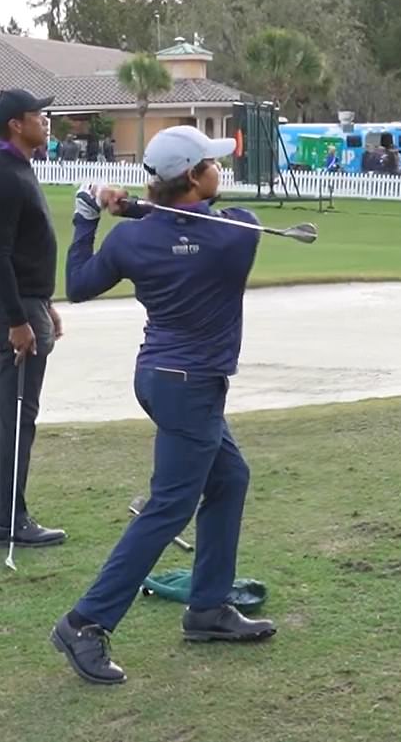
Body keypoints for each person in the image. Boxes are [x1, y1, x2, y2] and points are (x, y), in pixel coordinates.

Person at [50, 125, 276, 685]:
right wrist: (139, 210)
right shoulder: (237, 237)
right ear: (195, 179)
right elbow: (212, 224)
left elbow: (78, 283)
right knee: (170, 506)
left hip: (159, 378)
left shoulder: (133, 241)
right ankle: (85, 623)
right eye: (212, 166)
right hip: (190, 386)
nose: (220, 171)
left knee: (230, 478)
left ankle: (207, 608)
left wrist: (92, 218)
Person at [0, 88, 66, 548]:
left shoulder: (16, 169)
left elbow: (23, 253)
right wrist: (19, 319)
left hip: (28, 303)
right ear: (14, 126)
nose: (46, 122)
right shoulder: (4, 176)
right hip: (14, 311)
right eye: (37, 116)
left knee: (4, 412)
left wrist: (44, 304)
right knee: (18, 415)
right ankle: (10, 519)